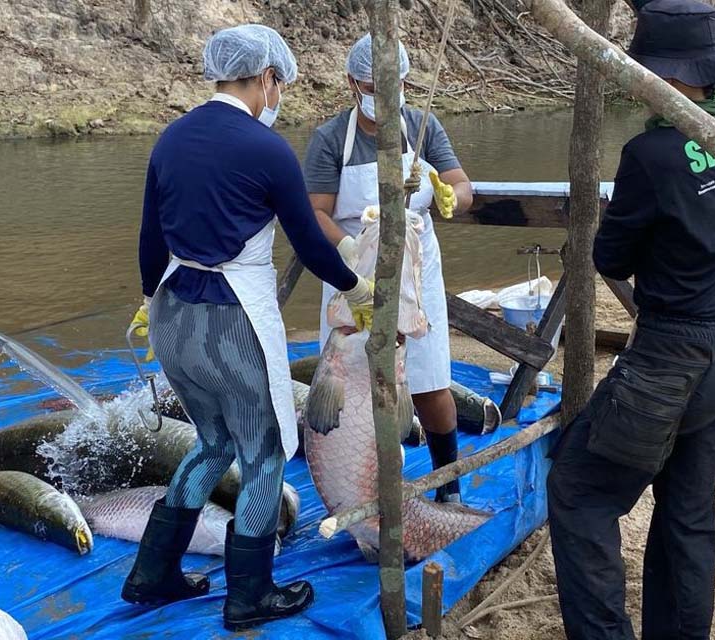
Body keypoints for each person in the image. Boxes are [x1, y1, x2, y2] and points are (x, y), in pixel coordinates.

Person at [121, 24, 374, 631]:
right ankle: (251, 594)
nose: (277, 95)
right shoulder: (267, 149)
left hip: (173, 310)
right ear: (265, 78)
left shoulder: (172, 137)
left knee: (212, 444)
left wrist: (149, 296)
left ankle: (152, 573)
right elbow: (311, 242)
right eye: (278, 84)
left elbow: (150, 238)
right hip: (229, 314)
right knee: (263, 456)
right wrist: (354, 287)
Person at [547, 1, 715, 638]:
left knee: (578, 491)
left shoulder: (653, 153)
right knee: (688, 512)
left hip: (669, 352)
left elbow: (611, 254)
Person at [303, 34, 474, 503]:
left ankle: (448, 485)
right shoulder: (331, 138)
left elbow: (463, 187)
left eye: (391, 84)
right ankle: (366, 488)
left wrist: (447, 197)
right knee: (351, 385)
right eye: (369, 84)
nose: (382, 94)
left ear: (404, 81)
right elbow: (315, 212)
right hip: (352, 274)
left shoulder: (423, 127)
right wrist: (352, 248)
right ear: (352, 83)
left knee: (428, 379)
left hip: (415, 272)